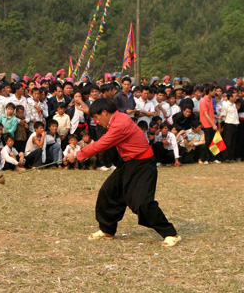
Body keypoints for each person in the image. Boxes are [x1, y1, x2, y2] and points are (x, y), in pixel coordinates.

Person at [64, 98, 180, 247]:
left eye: (97, 117)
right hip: (129, 162)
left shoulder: (120, 123)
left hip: (143, 164)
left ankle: (170, 233)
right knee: (108, 192)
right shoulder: (115, 117)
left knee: (142, 202)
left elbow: (101, 145)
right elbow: (100, 121)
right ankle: (107, 230)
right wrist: (89, 110)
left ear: (105, 112)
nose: (97, 121)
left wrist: (76, 155)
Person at [199, 84, 220, 163]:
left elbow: (210, 112)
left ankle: (212, 158)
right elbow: (205, 114)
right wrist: (213, 124)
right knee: (207, 142)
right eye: (214, 90)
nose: (215, 92)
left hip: (211, 123)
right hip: (206, 124)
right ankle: (206, 158)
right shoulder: (203, 101)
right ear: (210, 91)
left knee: (212, 141)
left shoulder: (211, 99)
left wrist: (217, 118)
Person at [220, 90, 240, 163]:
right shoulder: (225, 105)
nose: (236, 98)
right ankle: (225, 157)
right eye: (235, 96)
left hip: (235, 125)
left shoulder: (234, 104)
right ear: (230, 97)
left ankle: (231, 156)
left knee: (233, 142)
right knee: (227, 142)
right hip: (228, 125)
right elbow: (223, 115)